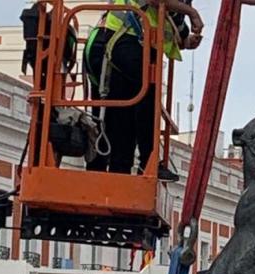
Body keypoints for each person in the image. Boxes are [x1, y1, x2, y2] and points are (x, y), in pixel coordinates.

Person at [84, 0, 203, 181]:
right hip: (116, 39)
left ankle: (117, 175)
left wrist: (187, 40)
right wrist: (192, 13)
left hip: (123, 43)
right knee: (146, 93)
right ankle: (148, 162)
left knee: (125, 119)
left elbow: (175, 23)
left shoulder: (177, 6)